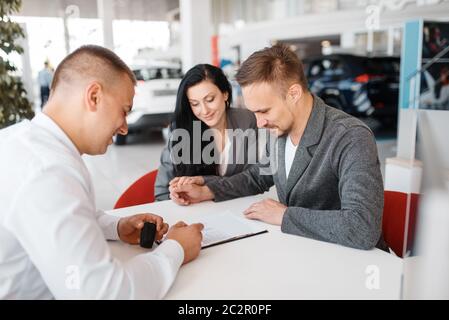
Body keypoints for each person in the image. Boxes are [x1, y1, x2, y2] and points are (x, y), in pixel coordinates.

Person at [0, 45, 203, 299]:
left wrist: (117, 227)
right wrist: (176, 248)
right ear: (94, 96)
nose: (124, 128)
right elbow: (105, 294)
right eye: (124, 111)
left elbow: (63, 215)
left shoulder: (20, 141)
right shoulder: (48, 171)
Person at [169, 44, 386, 250]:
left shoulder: (350, 137)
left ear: (293, 94)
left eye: (264, 111)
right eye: (254, 112)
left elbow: (361, 227)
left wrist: (284, 216)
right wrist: (206, 190)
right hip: (303, 249)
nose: (259, 123)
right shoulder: (280, 129)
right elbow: (257, 177)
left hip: (350, 261)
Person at [155, 64, 258, 201]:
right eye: (195, 104)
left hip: (236, 209)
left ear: (225, 94)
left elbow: (252, 179)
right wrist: (175, 196)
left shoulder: (246, 121)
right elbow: (162, 192)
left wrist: (205, 184)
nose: (204, 111)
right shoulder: (180, 129)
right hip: (192, 211)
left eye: (210, 100)